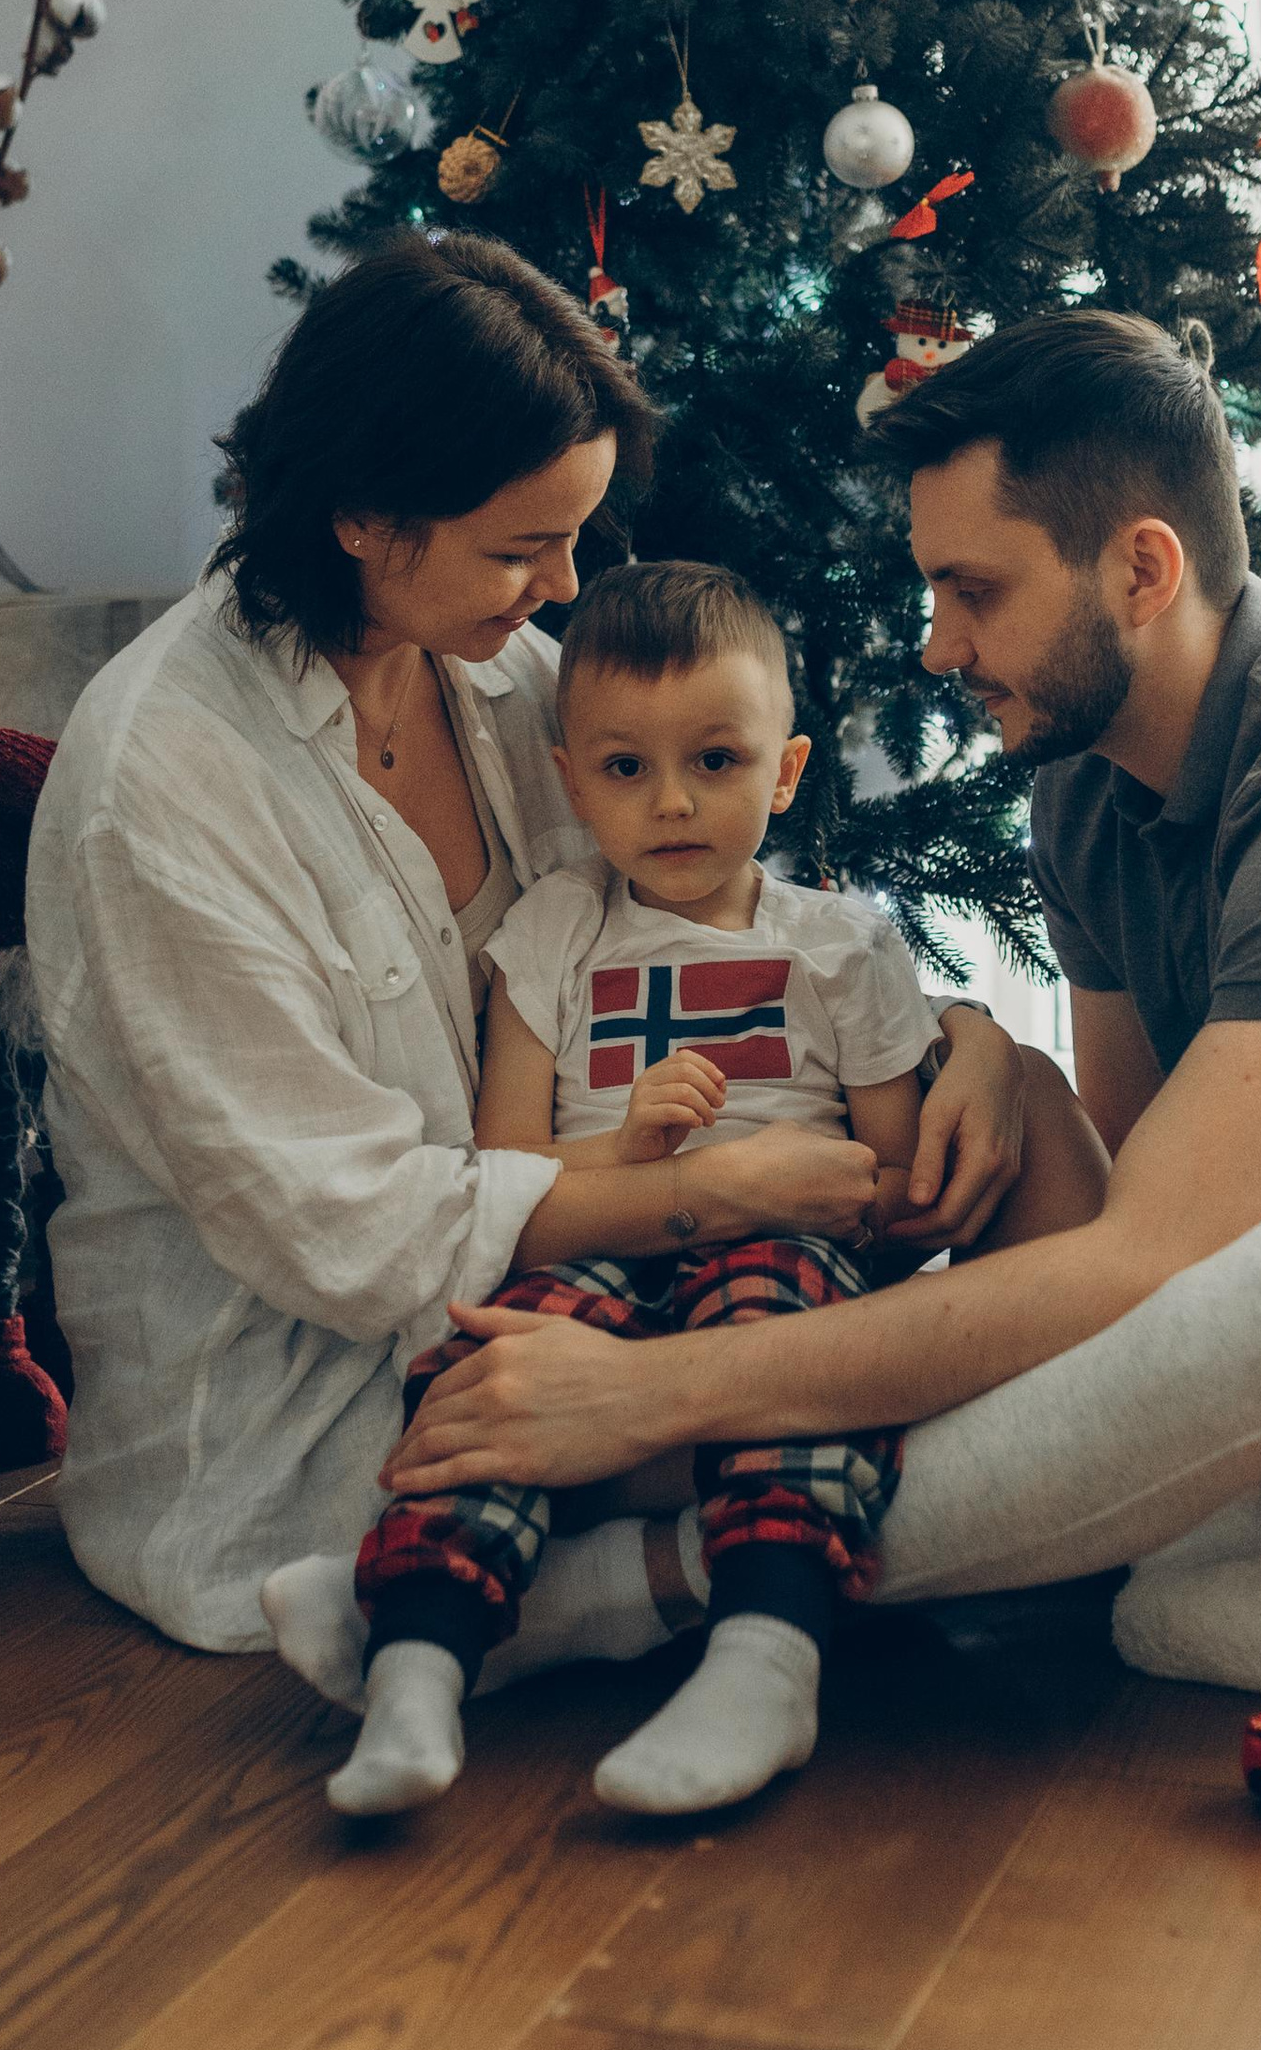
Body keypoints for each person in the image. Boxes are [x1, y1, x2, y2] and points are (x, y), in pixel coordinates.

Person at [372, 310, 1261, 1690]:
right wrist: (986, 1046)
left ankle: (621, 1590)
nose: (938, 643)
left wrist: (663, 1394)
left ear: (1141, 568)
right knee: (1053, 1129)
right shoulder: (1090, 784)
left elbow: (1158, 1264)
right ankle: (1204, 1569)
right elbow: (1123, 1186)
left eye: (976, 591)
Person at [21, 235, 1033, 1661]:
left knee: (986, 1259)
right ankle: (631, 1585)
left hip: (599, 1316)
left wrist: (965, 1038)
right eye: (519, 546)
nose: (561, 587)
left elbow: (717, 912)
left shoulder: (508, 678)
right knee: (931, 1415)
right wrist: (706, 1197)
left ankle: (625, 1587)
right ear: (364, 516)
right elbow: (350, 1226)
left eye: (573, 537)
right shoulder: (162, 780)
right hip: (323, 1421)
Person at [300, 559, 936, 1821]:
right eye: (625, 770)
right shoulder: (551, 935)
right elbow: (503, 1168)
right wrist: (645, 1154)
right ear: (568, 776)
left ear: (787, 769)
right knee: (490, 1371)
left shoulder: (838, 947)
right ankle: (417, 1668)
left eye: (715, 760)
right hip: (590, 1244)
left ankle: (765, 1659)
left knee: (792, 1350)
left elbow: (891, 1176)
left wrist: (816, 1198)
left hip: (781, 1250)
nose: (674, 805)